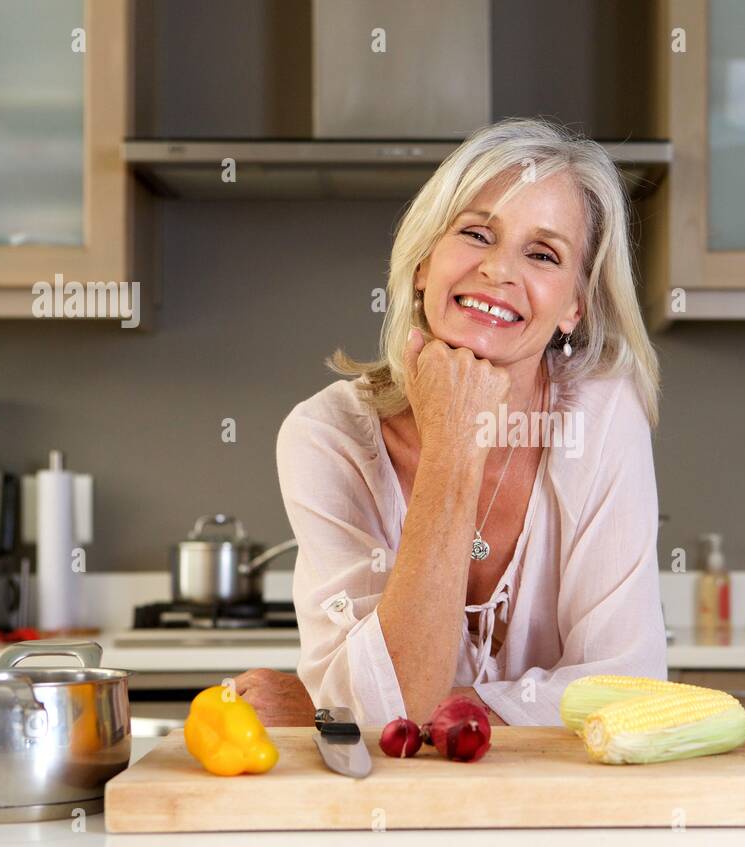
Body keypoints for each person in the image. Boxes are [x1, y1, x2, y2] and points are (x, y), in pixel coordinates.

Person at [235, 117, 665, 727]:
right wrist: (454, 447)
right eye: (476, 234)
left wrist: (341, 710)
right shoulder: (327, 436)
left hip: (554, 807)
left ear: (576, 304)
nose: (499, 270)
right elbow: (388, 709)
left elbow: (627, 686)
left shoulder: (603, 413)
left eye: (543, 253)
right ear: (421, 264)